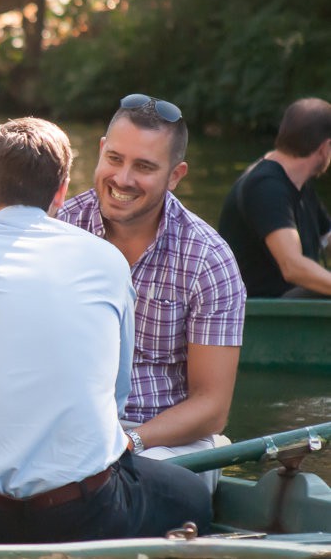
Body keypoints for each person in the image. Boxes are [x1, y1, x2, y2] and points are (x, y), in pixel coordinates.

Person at [0, 116, 212, 544]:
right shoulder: (107, 262)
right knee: (195, 495)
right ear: (62, 189)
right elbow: (114, 395)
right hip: (80, 509)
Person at [58, 93, 247, 491]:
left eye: (143, 167)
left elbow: (212, 408)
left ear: (175, 175)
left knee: (136, 488)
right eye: (115, 159)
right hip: (67, 429)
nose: (123, 179)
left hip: (164, 443)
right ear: (100, 151)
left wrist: (130, 441)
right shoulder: (58, 229)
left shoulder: (208, 260)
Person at [218, 97, 331, 298]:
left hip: (284, 308)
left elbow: (327, 237)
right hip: (261, 312)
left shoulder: (299, 181)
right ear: (325, 148)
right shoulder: (266, 186)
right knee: (319, 290)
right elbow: (292, 267)